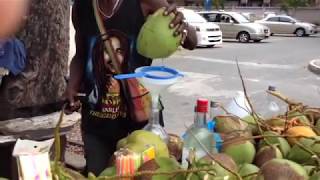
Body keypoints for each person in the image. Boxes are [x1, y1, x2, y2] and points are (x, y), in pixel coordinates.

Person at [65, 0, 197, 175]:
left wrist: (183, 27)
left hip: (142, 124)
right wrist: (72, 87)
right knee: (99, 174)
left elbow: (192, 42)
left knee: (146, 176)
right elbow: (81, 54)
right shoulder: (82, 7)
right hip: (97, 123)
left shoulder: (146, 3)